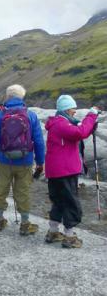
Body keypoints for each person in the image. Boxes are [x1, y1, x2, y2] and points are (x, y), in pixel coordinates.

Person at [45, 95, 100, 248]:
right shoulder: (61, 124)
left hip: (55, 170)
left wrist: (88, 125)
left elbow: (78, 131)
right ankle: (69, 236)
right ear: (67, 109)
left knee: (59, 201)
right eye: (73, 108)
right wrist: (91, 115)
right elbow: (80, 133)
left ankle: (53, 231)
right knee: (70, 202)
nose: (75, 111)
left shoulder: (57, 123)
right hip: (65, 170)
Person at [0, 84, 45, 235]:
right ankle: (25, 224)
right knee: (23, 191)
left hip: (4, 160)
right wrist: (40, 161)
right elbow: (39, 141)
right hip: (25, 161)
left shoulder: (1, 115)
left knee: (1, 190)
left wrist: (2, 150)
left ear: (8, 97)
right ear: (22, 97)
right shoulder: (31, 115)